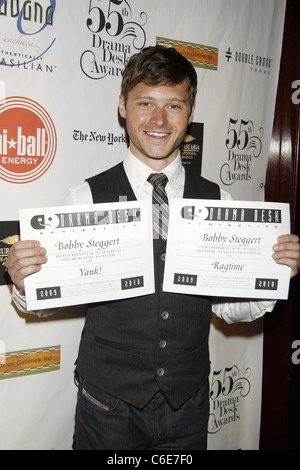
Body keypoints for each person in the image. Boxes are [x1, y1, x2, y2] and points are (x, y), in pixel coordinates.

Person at [5, 46, 300, 450]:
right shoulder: (84, 198)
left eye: (173, 105)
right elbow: (45, 301)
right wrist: (24, 282)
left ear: (190, 111)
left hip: (188, 403)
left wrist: (270, 277)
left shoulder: (219, 202)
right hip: (108, 403)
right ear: (123, 106)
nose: (159, 120)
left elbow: (228, 307)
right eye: (145, 103)